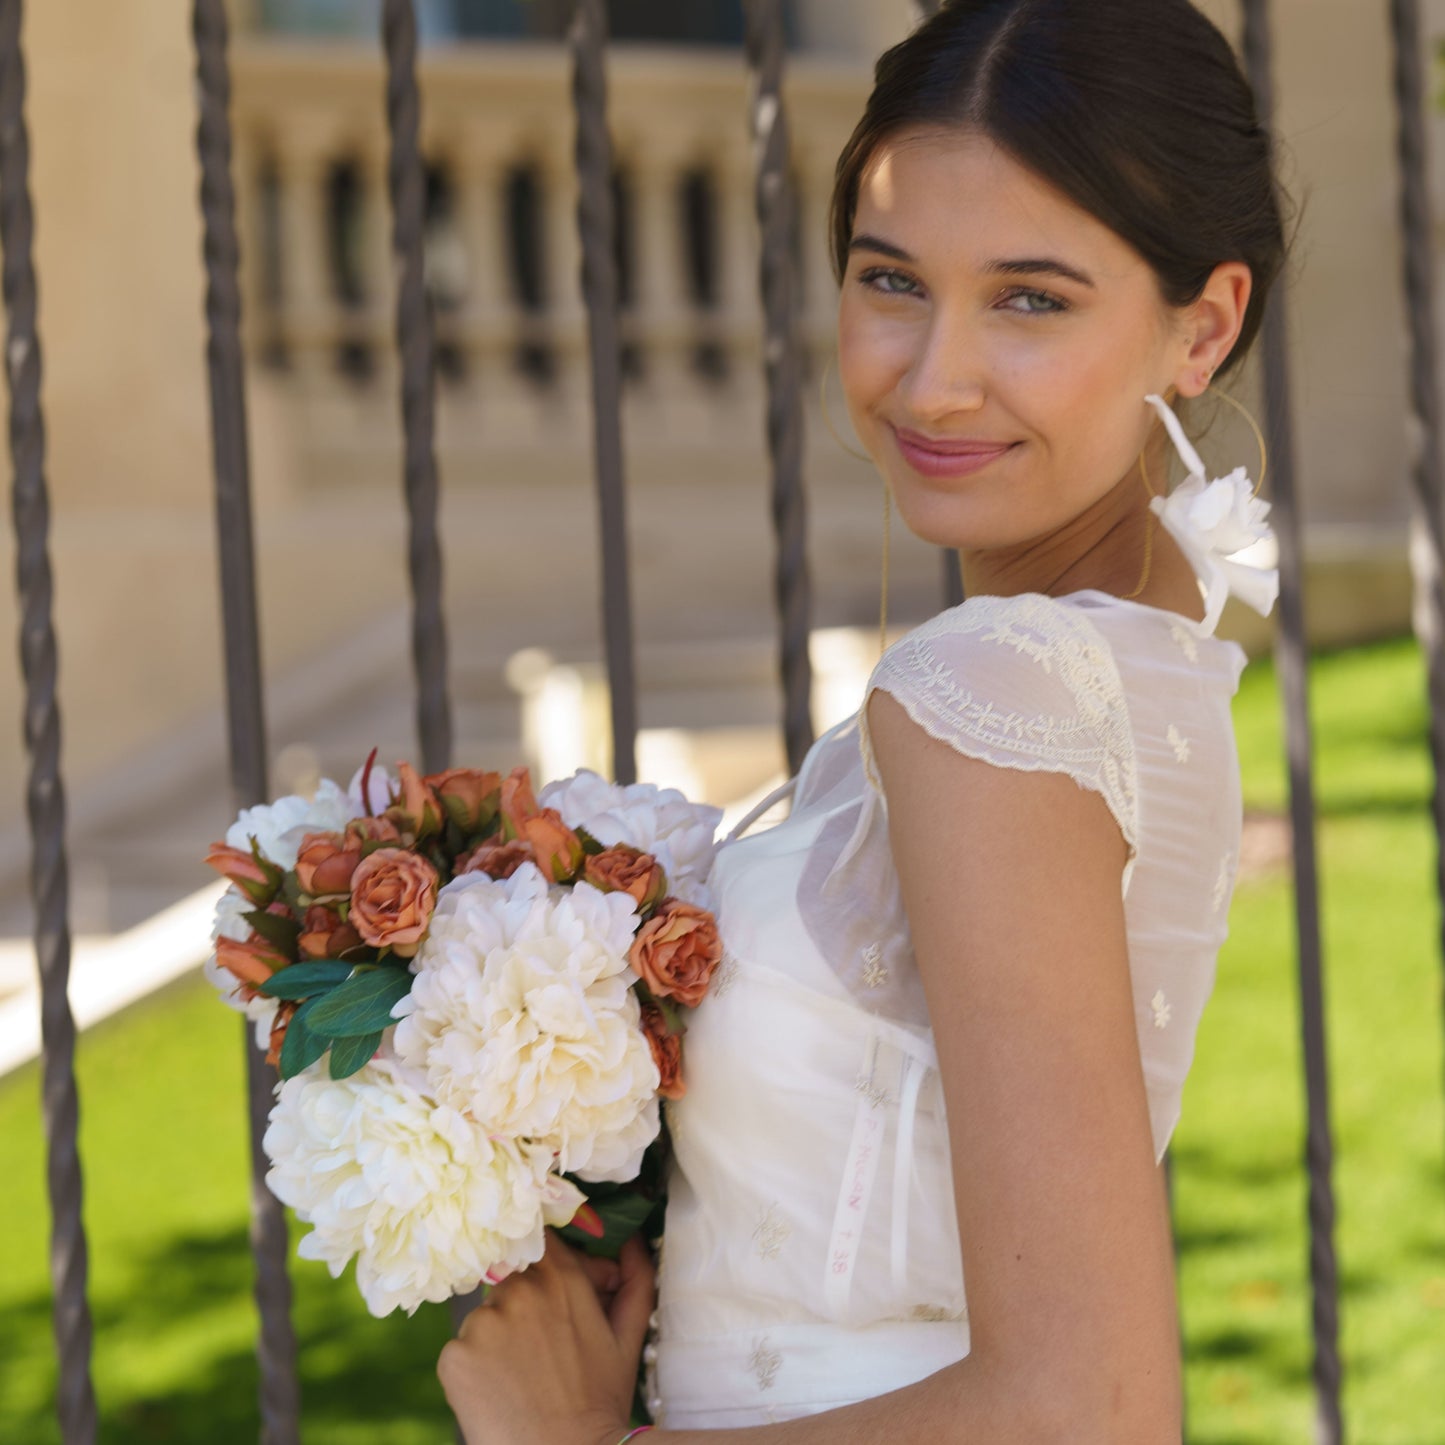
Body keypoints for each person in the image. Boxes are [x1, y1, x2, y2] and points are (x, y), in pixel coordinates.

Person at [436, 0, 1292, 1439]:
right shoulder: (1137, 656)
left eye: (1031, 298)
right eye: (891, 279)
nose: (932, 375)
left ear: (1199, 326)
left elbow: (1085, 1403)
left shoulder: (986, 696)